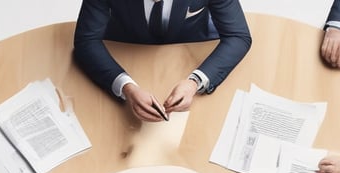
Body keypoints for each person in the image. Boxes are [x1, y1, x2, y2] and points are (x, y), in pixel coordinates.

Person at [73, 0, 251, 122]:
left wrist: (195, 82)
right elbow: (86, 41)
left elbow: (238, 36)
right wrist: (125, 86)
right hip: (124, 47)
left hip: (192, 46)